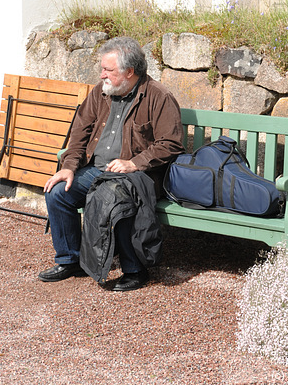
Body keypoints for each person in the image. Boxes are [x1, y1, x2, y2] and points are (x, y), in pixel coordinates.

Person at [38, 36, 184, 291]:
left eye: (108, 70)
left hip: (138, 175)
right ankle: (70, 259)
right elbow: (79, 133)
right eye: (102, 68)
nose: (102, 74)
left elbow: (171, 144)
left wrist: (134, 163)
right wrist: (69, 167)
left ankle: (135, 270)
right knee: (59, 192)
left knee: (113, 199)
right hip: (97, 169)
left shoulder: (159, 96)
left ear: (129, 72)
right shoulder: (100, 93)